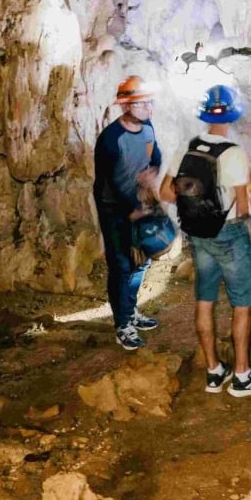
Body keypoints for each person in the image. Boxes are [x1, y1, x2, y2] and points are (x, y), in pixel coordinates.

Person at [160, 84, 251, 397]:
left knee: (205, 299)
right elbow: (243, 207)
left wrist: (195, 203)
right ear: (232, 115)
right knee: (243, 304)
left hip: (197, 234)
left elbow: (165, 193)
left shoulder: (187, 147)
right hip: (229, 234)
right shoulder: (233, 153)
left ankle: (214, 371)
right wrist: (250, 186)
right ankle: (242, 376)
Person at [92, 76, 164, 351]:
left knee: (141, 261)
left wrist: (152, 172)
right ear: (125, 106)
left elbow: (155, 155)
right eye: (141, 103)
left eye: (150, 102)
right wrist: (132, 209)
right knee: (121, 264)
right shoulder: (110, 139)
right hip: (114, 209)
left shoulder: (147, 128)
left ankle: (131, 311)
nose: (148, 108)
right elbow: (108, 183)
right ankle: (122, 324)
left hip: (140, 204)